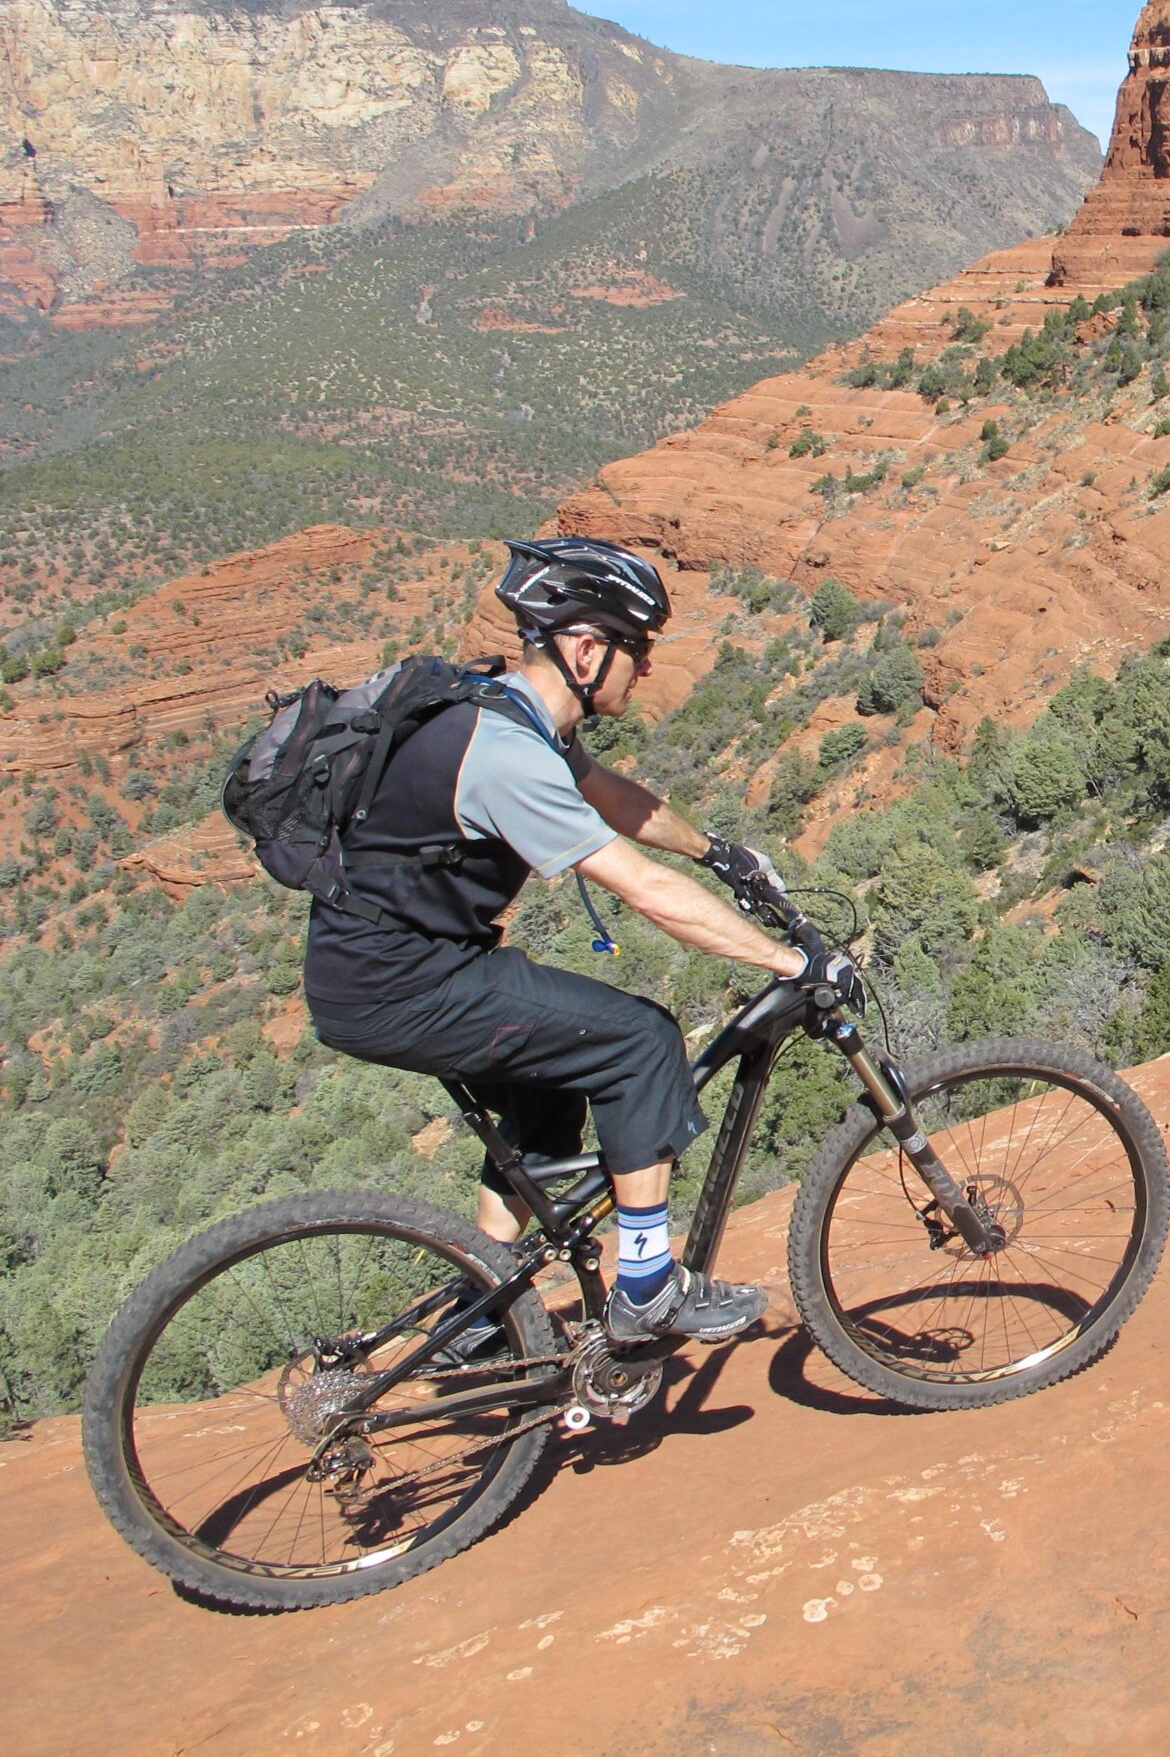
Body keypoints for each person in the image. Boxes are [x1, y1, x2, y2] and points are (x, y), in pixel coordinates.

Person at [301, 537, 849, 1344]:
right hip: (401, 987)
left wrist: (719, 852)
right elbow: (641, 887)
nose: (649, 667)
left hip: (395, 967)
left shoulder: (508, 704)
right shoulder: (504, 756)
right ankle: (647, 1288)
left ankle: (482, 1311)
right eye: (640, 647)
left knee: (551, 1091)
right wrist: (786, 960)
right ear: (588, 649)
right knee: (638, 1039)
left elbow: (610, 798)